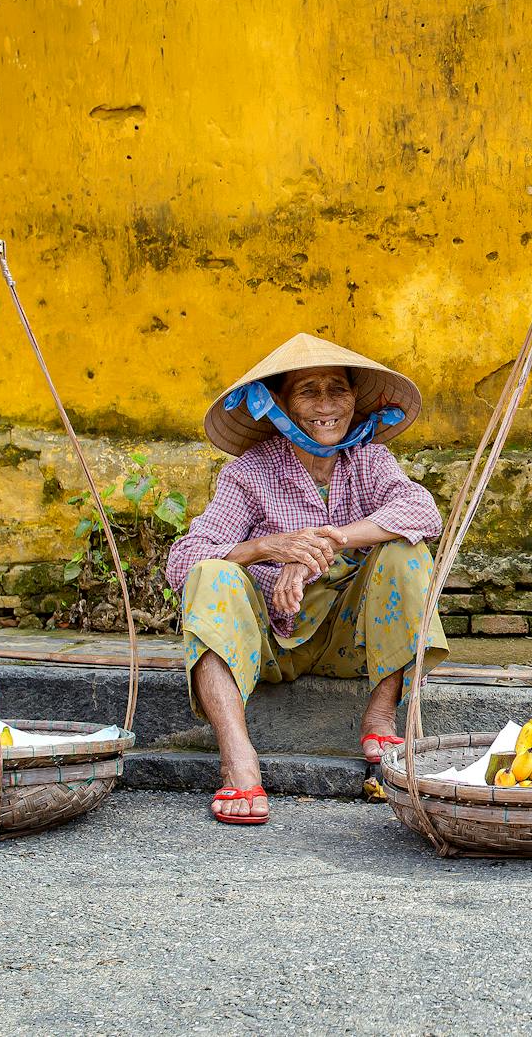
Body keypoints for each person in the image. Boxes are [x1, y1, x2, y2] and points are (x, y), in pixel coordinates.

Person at [165, 333, 449, 824]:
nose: (325, 406)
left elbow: (422, 510)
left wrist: (328, 542)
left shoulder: (368, 459)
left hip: (350, 642)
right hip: (269, 645)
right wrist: (269, 547)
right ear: (281, 405)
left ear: (354, 400)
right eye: (308, 391)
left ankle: (380, 717)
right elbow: (184, 558)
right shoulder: (251, 472)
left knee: (408, 550)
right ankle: (238, 761)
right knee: (211, 574)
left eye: (336, 389)